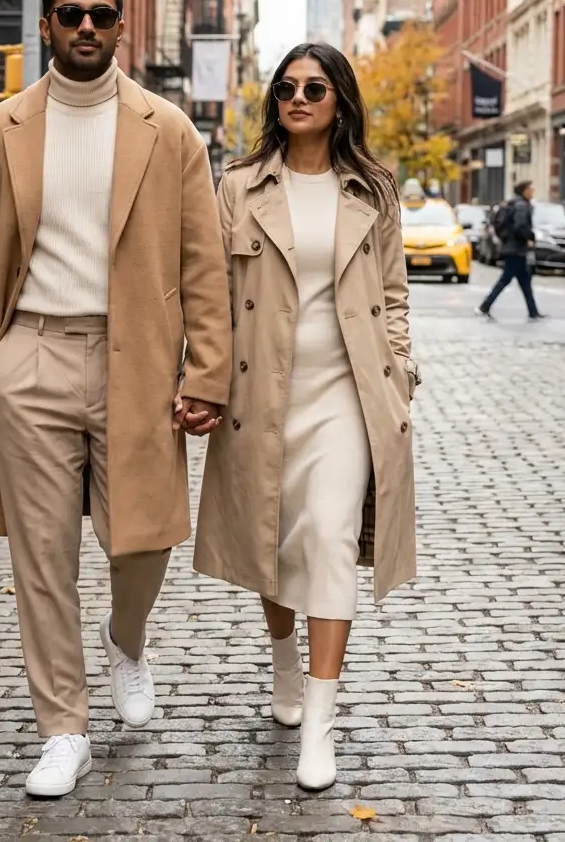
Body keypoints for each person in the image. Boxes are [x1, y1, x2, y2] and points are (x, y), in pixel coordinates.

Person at [0, 0, 231, 799]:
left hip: (137, 360)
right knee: (42, 555)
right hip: (28, 357)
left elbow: (203, 262)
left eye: (101, 15)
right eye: (71, 16)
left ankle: (125, 640)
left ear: (121, 23)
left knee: (144, 536)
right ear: (46, 25)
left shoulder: (167, 128)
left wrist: (206, 371)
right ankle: (63, 728)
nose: (87, 29)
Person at [194, 42, 419, 791]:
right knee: (272, 539)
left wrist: (402, 371)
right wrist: (202, 378)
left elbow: (393, 295)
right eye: (286, 88)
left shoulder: (374, 189)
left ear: (339, 101)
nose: (298, 98)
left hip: (348, 395)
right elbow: (214, 296)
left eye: (314, 88)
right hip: (264, 394)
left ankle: (319, 727)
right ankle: (283, 664)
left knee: (325, 537)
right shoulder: (240, 187)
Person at [476, 180, 545, 321]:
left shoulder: (513, 204)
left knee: (525, 283)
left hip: (513, 248)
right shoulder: (522, 206)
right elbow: (520, 226)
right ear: (525, 191)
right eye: (531, 189)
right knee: (505, 280)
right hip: (516, 249)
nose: (533, 191)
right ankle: (484, 306)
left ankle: (533, 311)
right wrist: (529, 237)